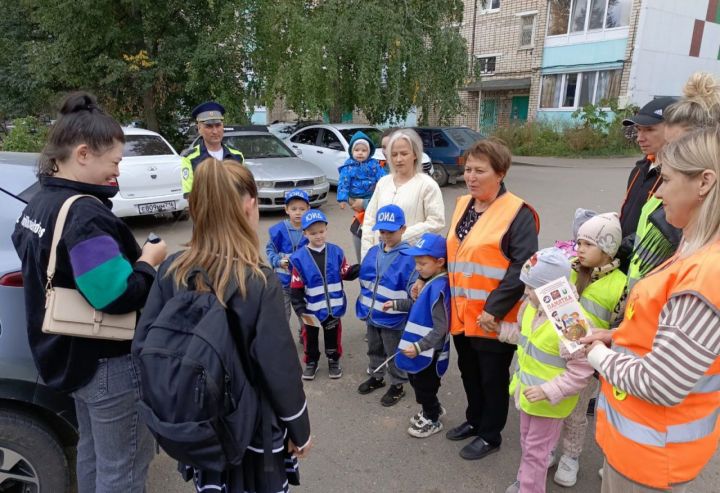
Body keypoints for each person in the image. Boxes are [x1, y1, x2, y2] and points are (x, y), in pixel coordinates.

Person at [11, 91, 168, 492]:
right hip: (107, 362)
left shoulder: (39, 200)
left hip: (65, 355)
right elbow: (115, 296)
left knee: (94, 457)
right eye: (114, 161)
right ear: (83, 154)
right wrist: (149, 261)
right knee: (123, 469)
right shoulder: (84, 213)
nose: (116, 172)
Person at [137, 158, 311, 493]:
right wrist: (299, 429)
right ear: (249, 205)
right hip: (252, 430)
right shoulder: (259, 280)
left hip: (200, 423)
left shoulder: (173, 268)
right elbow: (279, 370)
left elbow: (143, 343)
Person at [584, 126, 720, 492]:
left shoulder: (708, 272)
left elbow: (660, 383)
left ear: (704, 182)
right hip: (644, 449)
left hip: (653, 461)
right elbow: (664, 329)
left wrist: (597, 355)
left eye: (667, 180)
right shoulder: (693, 249)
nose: (657, 192)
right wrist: (615, 337)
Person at [445, 138, 539, 461]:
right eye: (468, 169)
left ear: (500, 173)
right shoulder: (463, 205)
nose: (471, 177)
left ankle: (490, 433)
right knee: (469, 372)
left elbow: (523, 266)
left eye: (479, 171)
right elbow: (456, 252)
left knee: (492, 377)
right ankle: (474, 420)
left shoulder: (518, 213)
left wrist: (493, 309)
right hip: (462, 313)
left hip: (493, 318)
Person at [504, 248, 594, 493]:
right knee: (528, 445)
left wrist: (548, 390)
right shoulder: (532, 307)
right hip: (528, 394)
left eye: (531, 288)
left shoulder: (571, 320)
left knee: (536, 451)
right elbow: (526, 339)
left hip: (549, 402)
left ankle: (530, 488)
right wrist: (502, 331)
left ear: (551, 289)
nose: (526, 293)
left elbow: (582, 369)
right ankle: (526, 480)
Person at [551, 212, 626, 487]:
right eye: (578, 242)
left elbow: (618, 327)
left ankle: (571, 456)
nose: (579, 249)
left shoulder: (620, 284)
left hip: (585, 364)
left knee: (575, 412)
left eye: (588, 244)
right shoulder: (569, 269)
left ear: (607, 249)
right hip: (554, 355)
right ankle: (547, 447)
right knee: (552, 404)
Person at [356, 205, 417, 406]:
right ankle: (376, 376)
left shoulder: (410, 257)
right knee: (374, 347)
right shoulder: (374, 251)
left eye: (391, 231)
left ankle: (398, 384)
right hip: (372, 314)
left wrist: (399, 305)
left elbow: (415, 295)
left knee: (393, 351)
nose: (386, 236)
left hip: (393, 318)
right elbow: (367, 281)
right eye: (382, 231)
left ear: (403, 228)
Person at [391, 233, 451, 438]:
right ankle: (432, 408)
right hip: (418, 349)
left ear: (440, 262)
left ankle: (432, 418)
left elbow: (440, 328)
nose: (417, 268)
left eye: (422, 263)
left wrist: (419, 347)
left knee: (425, 385)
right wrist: (397, 304)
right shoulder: (428, 281)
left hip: (428, 352)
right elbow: (417, 307)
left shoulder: (440, 288)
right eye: (416, 262)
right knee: (417, 381)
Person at [290, 209, 359, 380]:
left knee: (333, 335)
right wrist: (300, 309)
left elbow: (346, 273)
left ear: (326, 230)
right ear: (305, 233)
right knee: (310, 337)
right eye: (313, 233)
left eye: (321, 231)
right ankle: (311, 361)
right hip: (311, 309)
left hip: (333, 307)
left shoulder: (336, 252)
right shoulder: (298, 258)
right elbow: (296, 288)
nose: (318, 236)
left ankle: (333, 360)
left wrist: (361, 268)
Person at [361, 128, 445, 259]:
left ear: (415, 154)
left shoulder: (427, 185)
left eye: (404, 153)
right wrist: (367, 256)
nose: (399, 159)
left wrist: (398, 238)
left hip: (409, 260)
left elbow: (436, 221)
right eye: (394, 155)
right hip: (379, 257)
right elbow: (369, 220)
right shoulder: (383, 183)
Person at [617, 97, 678, 272]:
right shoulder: (639, 169)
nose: (639, 138)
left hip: (648, 268)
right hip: (621, 264)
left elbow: (667, 232)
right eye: (638, 130)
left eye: (649, 130)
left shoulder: (677, 178)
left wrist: (620, 248)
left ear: (673, 130)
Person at [266, 189, 310, 342]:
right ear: (286, 210)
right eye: (294, 209)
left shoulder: (310, 229)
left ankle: (305, 336)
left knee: (304, 313)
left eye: (302, 209)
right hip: (283, 282)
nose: (298, 213)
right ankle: (283, 341)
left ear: (308, 209)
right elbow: (270, 249)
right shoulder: (279, 230)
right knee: (283, 314)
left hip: (302, 284)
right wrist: (277, 260)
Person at [337, 131, 387, 261]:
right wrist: (342, 199)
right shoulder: (348, 167)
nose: (360, 153)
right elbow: (343, 183)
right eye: (357, 150)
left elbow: (383, 179)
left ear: (369, 152)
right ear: (351, 151)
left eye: (364, 150)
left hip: (370, 194)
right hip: (355, 194)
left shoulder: (374, 165)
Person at [181, 101, 244, 196]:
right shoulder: (190, 159)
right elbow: (191, 198)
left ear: (223, 126)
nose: (215, 131)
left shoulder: (237, 156)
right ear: (199, 128)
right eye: (209, 126)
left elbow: (244, 191)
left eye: (218, 125)